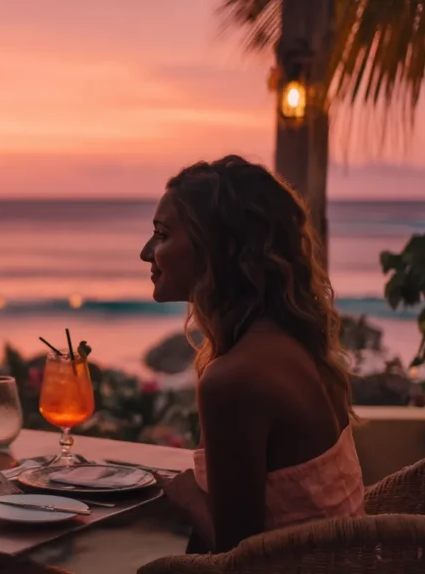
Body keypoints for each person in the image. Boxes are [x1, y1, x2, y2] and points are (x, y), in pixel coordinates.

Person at [139, 155, 365, 553]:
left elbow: (238, 553)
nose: (146, 253)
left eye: (162, 234)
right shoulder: (296, 344)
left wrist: (188, 494)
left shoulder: (235, 378)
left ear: (218, 247)